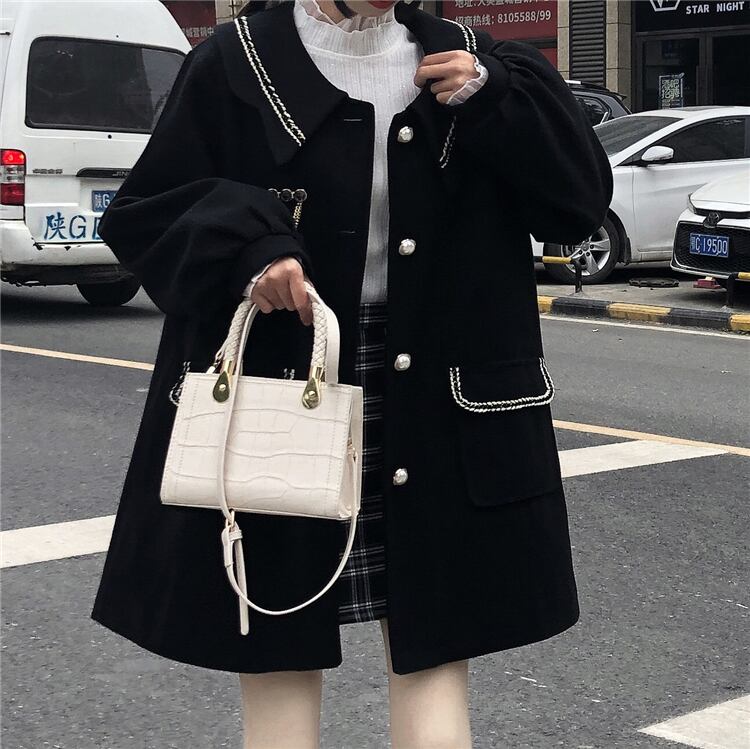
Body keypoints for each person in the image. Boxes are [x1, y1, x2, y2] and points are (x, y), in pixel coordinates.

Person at [91, 1, 614, 747]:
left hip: (438, 393)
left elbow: (577, 205)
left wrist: (495, 99)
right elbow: (144, 212)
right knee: (276, 651)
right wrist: (251, 251)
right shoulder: (236, 61)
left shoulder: (475, 61)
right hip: (283, 381)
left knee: (436, 648)